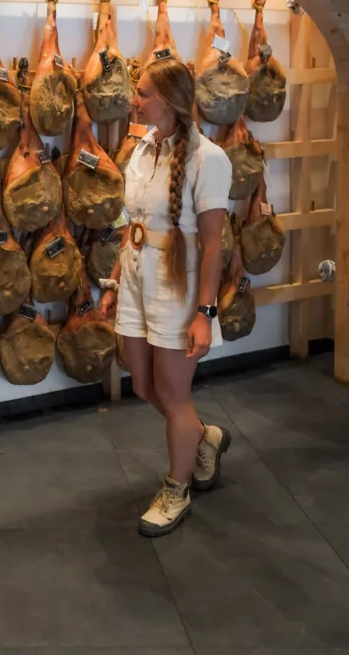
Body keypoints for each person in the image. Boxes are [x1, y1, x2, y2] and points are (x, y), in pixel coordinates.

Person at [99, 57, 233, 537]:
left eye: (143, 92)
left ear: (170, 101)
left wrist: (205, 312)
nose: (134, 99)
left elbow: (214, 242)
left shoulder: (208, 159)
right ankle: (203, 437)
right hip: (137, 279)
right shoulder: (142, 149)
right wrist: (116, 280)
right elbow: (133, 224)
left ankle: (177, 489)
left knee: (174, 395)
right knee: (142, 386)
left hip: (180, 287)